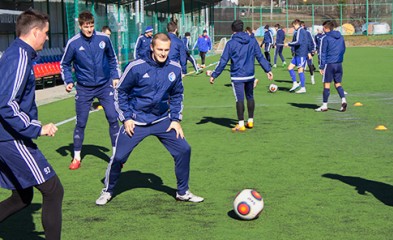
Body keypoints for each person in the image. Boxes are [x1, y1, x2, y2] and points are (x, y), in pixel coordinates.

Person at [95, 33, 204, 205]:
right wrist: (126, 118)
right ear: (152, 47)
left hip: (162, 120)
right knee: (119, 157)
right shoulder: (136, 67)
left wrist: (175, 119)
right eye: (160, 49)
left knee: (184, 149)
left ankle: (183, 192)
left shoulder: (174, 68)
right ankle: (107, 191)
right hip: (136, 121)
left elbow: (177, 95)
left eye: (166, 50)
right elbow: (120, 91)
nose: (163, 53)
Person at [0, 9, 63, 240]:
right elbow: (6, 103)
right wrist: (37, 128)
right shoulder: (19, 56)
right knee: (53, 190)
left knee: (22, 197)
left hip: (10, 136)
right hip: (10, 138)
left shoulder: (18, 54)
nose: (47, 37)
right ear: (35, 32)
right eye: (45, 33)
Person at [61, 10, 121, 170]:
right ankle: (76, 157)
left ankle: (116, 156)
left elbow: (112, 58)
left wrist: (115, 76)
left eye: (92, 25)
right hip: (84, 88)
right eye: (86, 26)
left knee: (112, 117)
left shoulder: (103, 39)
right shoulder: (73, 43)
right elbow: (65, 64)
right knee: (81, 123)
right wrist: (68, 80)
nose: (89, 29)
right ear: (80, 26)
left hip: (104, 85)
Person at [210, 20, 273, 132]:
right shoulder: (252, 41)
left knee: (239, 99)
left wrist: (214, 74)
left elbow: (223, 61)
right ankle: (250, 121)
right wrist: (267, 69)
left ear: (233, 30)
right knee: (250, 96)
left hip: (237, 76)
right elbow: (260, 56)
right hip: (250, 75)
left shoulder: (230, 43)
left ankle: (241, 124)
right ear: (243, 28)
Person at [315, 20, 347, 112]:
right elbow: (343, 49)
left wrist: (321, 66)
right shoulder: (340, 37)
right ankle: (343, 100)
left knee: (326, 85)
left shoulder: (324, 38)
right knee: (337, 84)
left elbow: (322, 53)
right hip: (339, 64)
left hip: (329, 64)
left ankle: (324, 105)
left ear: (326, 28)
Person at [285, 19, 308, 93]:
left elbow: (298, 42)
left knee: (300, 70)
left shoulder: (300, 31)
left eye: (293, 26)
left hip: (301, 53)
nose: (293, 28)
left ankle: (303, 87)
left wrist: (289, 44)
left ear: (296, 24)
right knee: (289, 68)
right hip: (297, 54)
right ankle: (295, 83)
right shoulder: (299, 31)